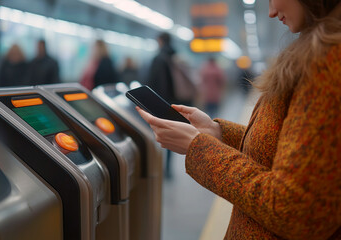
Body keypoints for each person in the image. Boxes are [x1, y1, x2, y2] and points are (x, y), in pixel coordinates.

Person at [137, 0, 341, 239]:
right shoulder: (317, 54)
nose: (271, 11)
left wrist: (200, 148)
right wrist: (217, 132)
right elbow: (287, 148)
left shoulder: (329, 64)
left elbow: (295, 210)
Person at [146, 32, 178, 179]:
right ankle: (168, 169)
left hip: (159, 103)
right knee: (171, 135)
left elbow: (152, 83)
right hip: (174, 102)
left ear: (160, 41)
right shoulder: (175, 57)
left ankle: (154, 167)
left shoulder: (158, 58)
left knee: (154, 135)